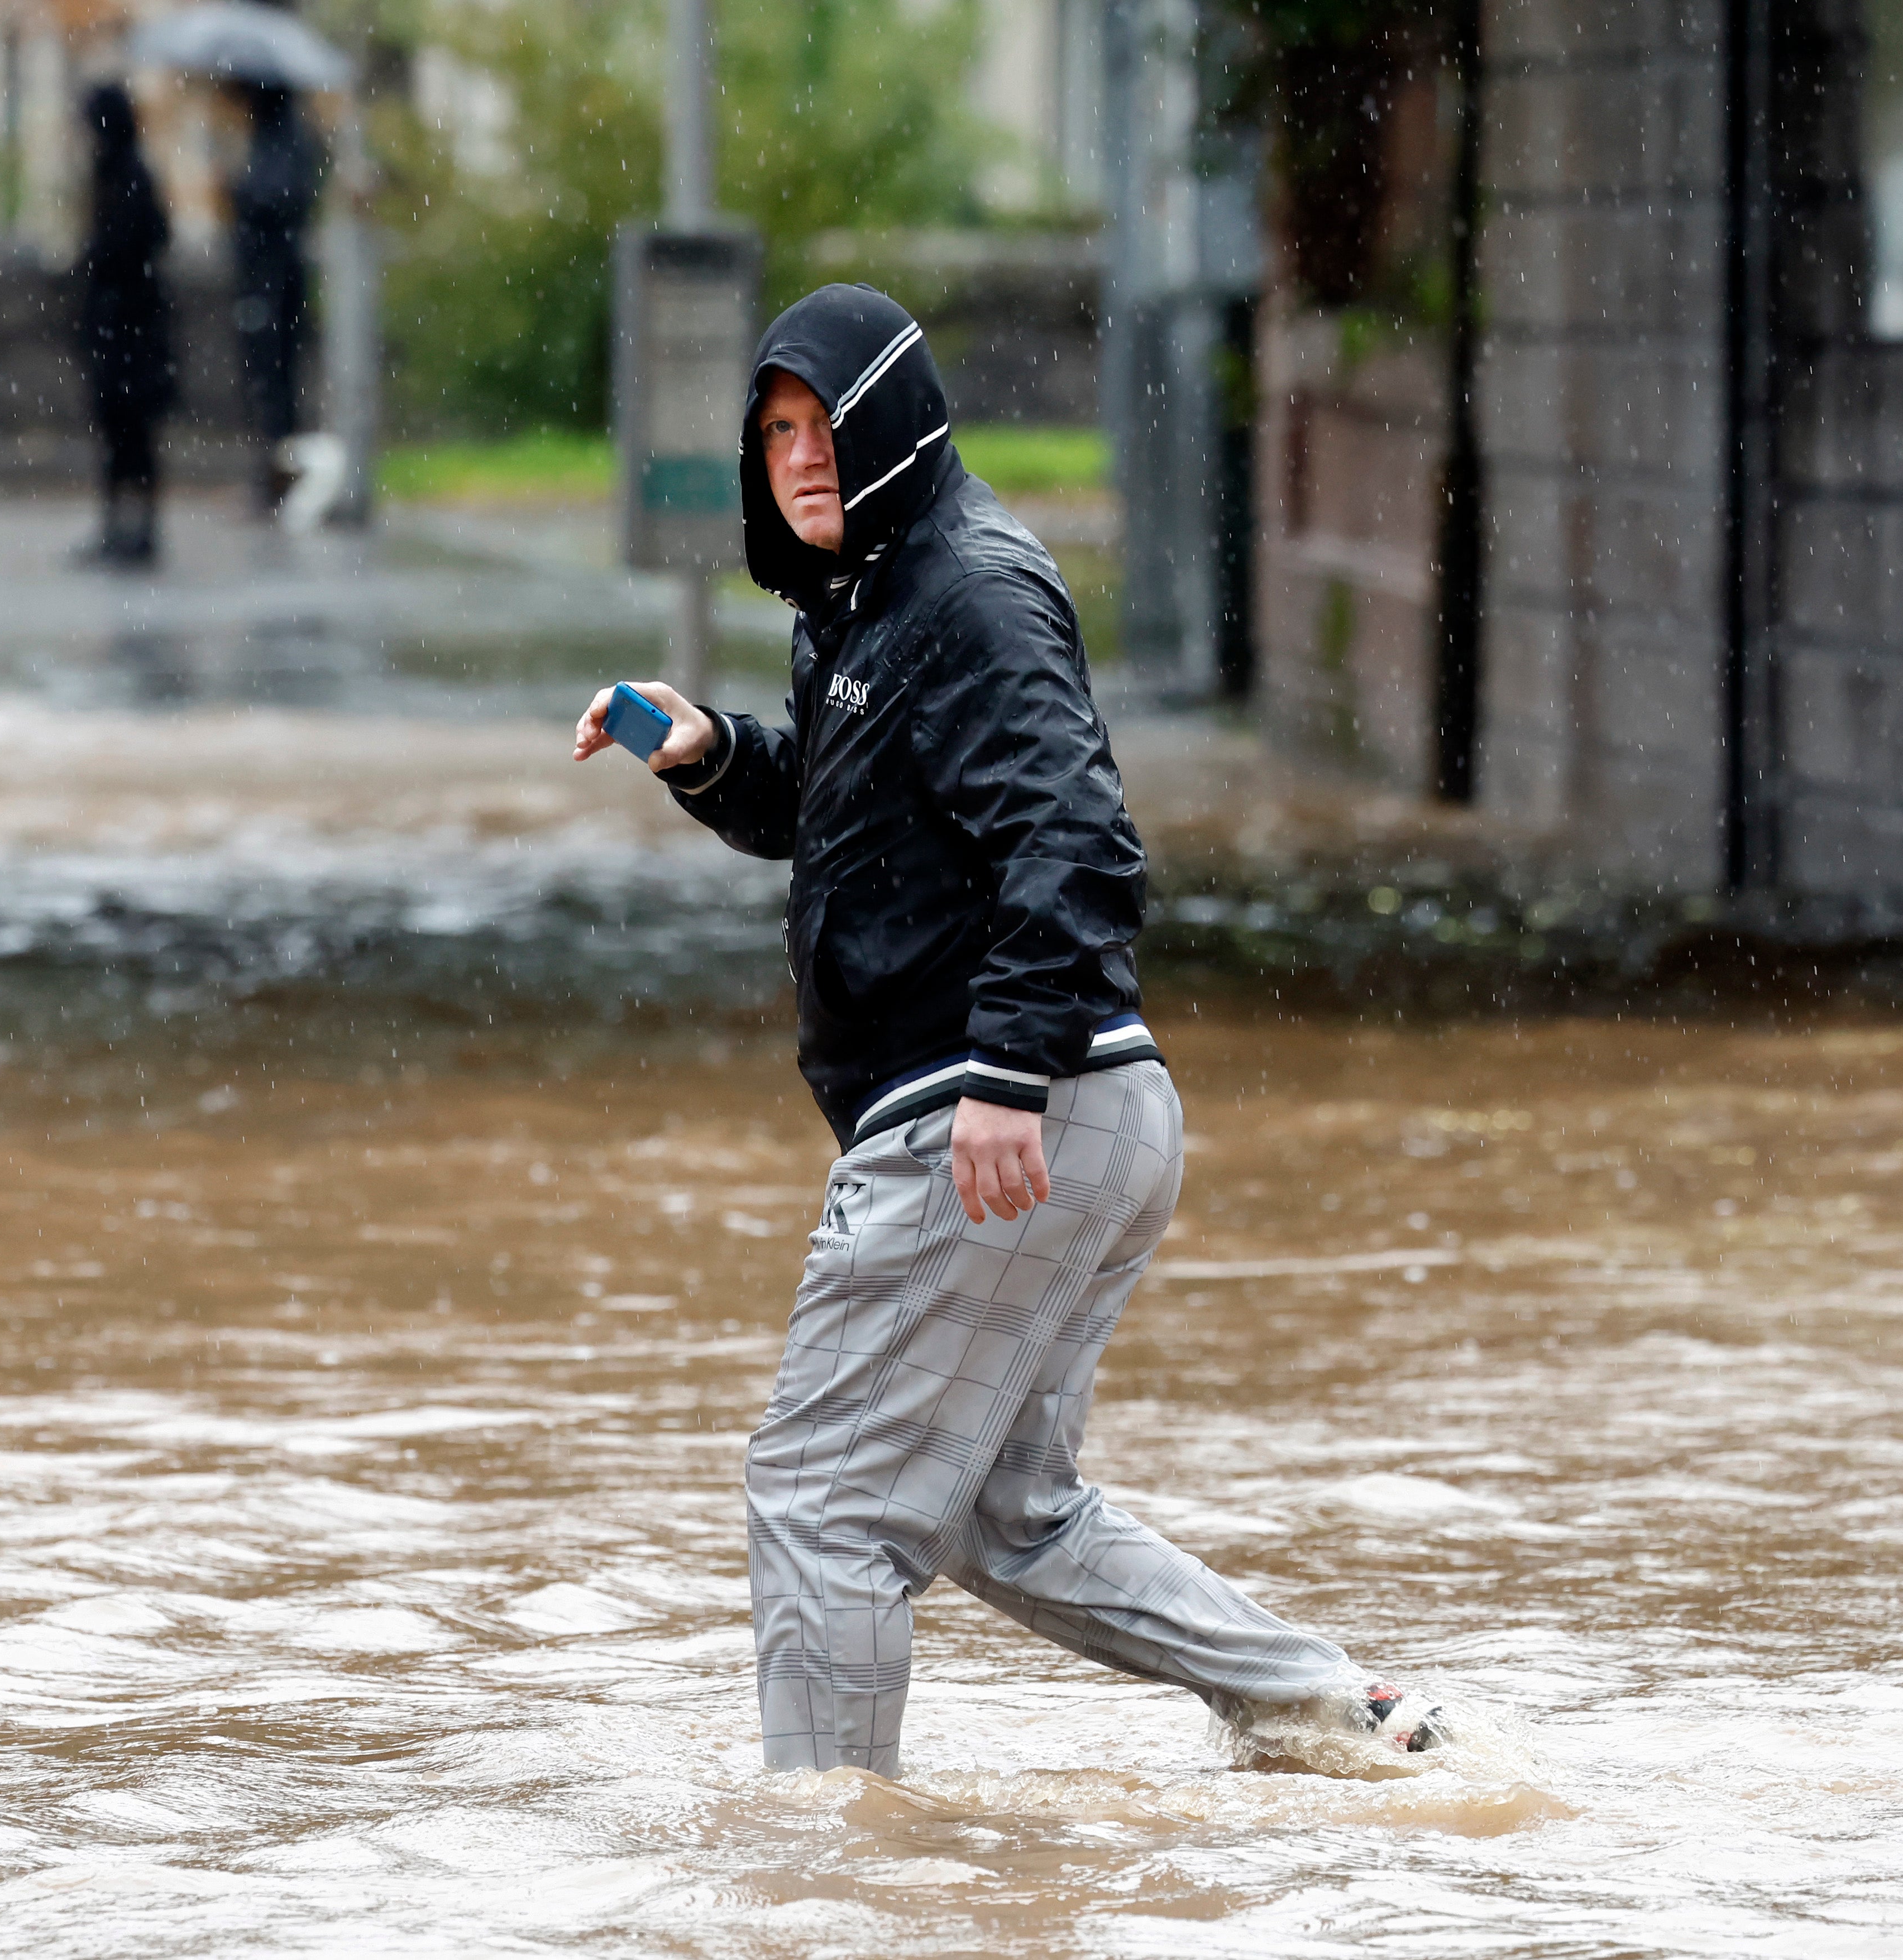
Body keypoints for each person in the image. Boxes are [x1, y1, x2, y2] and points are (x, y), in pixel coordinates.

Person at [570, 285, 1436, 1779]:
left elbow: (1076, 838)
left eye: (823, 421)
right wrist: (706, 749)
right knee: (1000, 1509)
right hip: (1080, 1110)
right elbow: (848, 814)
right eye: (773, 432)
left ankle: (830, 1878)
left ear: (891, 415)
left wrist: (1005, 1074)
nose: (799, 457)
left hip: (1005, 1111)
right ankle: (1320, 1707)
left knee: (823, 1495)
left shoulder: (965, 590)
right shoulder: (872, 609)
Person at [73, 81, 175, 567]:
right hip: (126, 327)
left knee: (131, 433)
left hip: (129, 328)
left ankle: (135, 529)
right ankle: (123, 527)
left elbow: (130, 245)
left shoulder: (127, 177)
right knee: (123, 433)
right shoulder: (123, 174)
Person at [225, 80, 318, 515]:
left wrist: (239, 193)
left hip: (274, 284)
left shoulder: (287, 137)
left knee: (275, 385)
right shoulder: (274, 136)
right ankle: (273, 478)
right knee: (266, 384)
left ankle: (280, 481)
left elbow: (280, 200)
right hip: (265, 281)